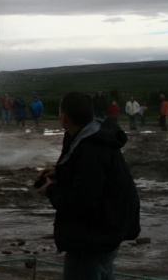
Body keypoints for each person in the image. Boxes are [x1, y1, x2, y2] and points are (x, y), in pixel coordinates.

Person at [37, 92, 140, 279]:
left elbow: (82, 202)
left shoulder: (91, 148)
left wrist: (51, 190)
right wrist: (60, 172)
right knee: (103, 269)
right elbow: (92, 176)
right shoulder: (90, 134)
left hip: (93, 237)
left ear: (64, 117)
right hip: (107, 229)